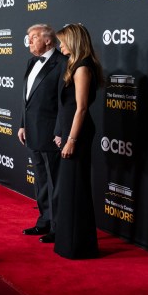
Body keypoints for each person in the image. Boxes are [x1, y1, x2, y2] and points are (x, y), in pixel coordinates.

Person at [50, 23, 104, 259]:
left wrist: (71, 139)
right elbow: (67, 106)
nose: (60, 45)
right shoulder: (74, 65)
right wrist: (62, 131)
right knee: (70, 189)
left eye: (62, 41)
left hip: (78, 135)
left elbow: (81, 109)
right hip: (70, 131)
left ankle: (78, 246)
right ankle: (70, 242)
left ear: (73, 42)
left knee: (76, 189)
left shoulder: (83, 68)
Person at [17, 24, 67, 240]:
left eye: (34, 37)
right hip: (32, 131)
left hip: (51, 134)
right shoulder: (31, 62)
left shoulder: (62, 63)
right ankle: (44, 221)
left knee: (55, 182)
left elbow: (63, 102)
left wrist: (59, 131)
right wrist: (22, 124)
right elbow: (27, 99)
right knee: (41, 180)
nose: (29, 41)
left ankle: (58, 227)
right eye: (28, 37)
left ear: (48, 40)